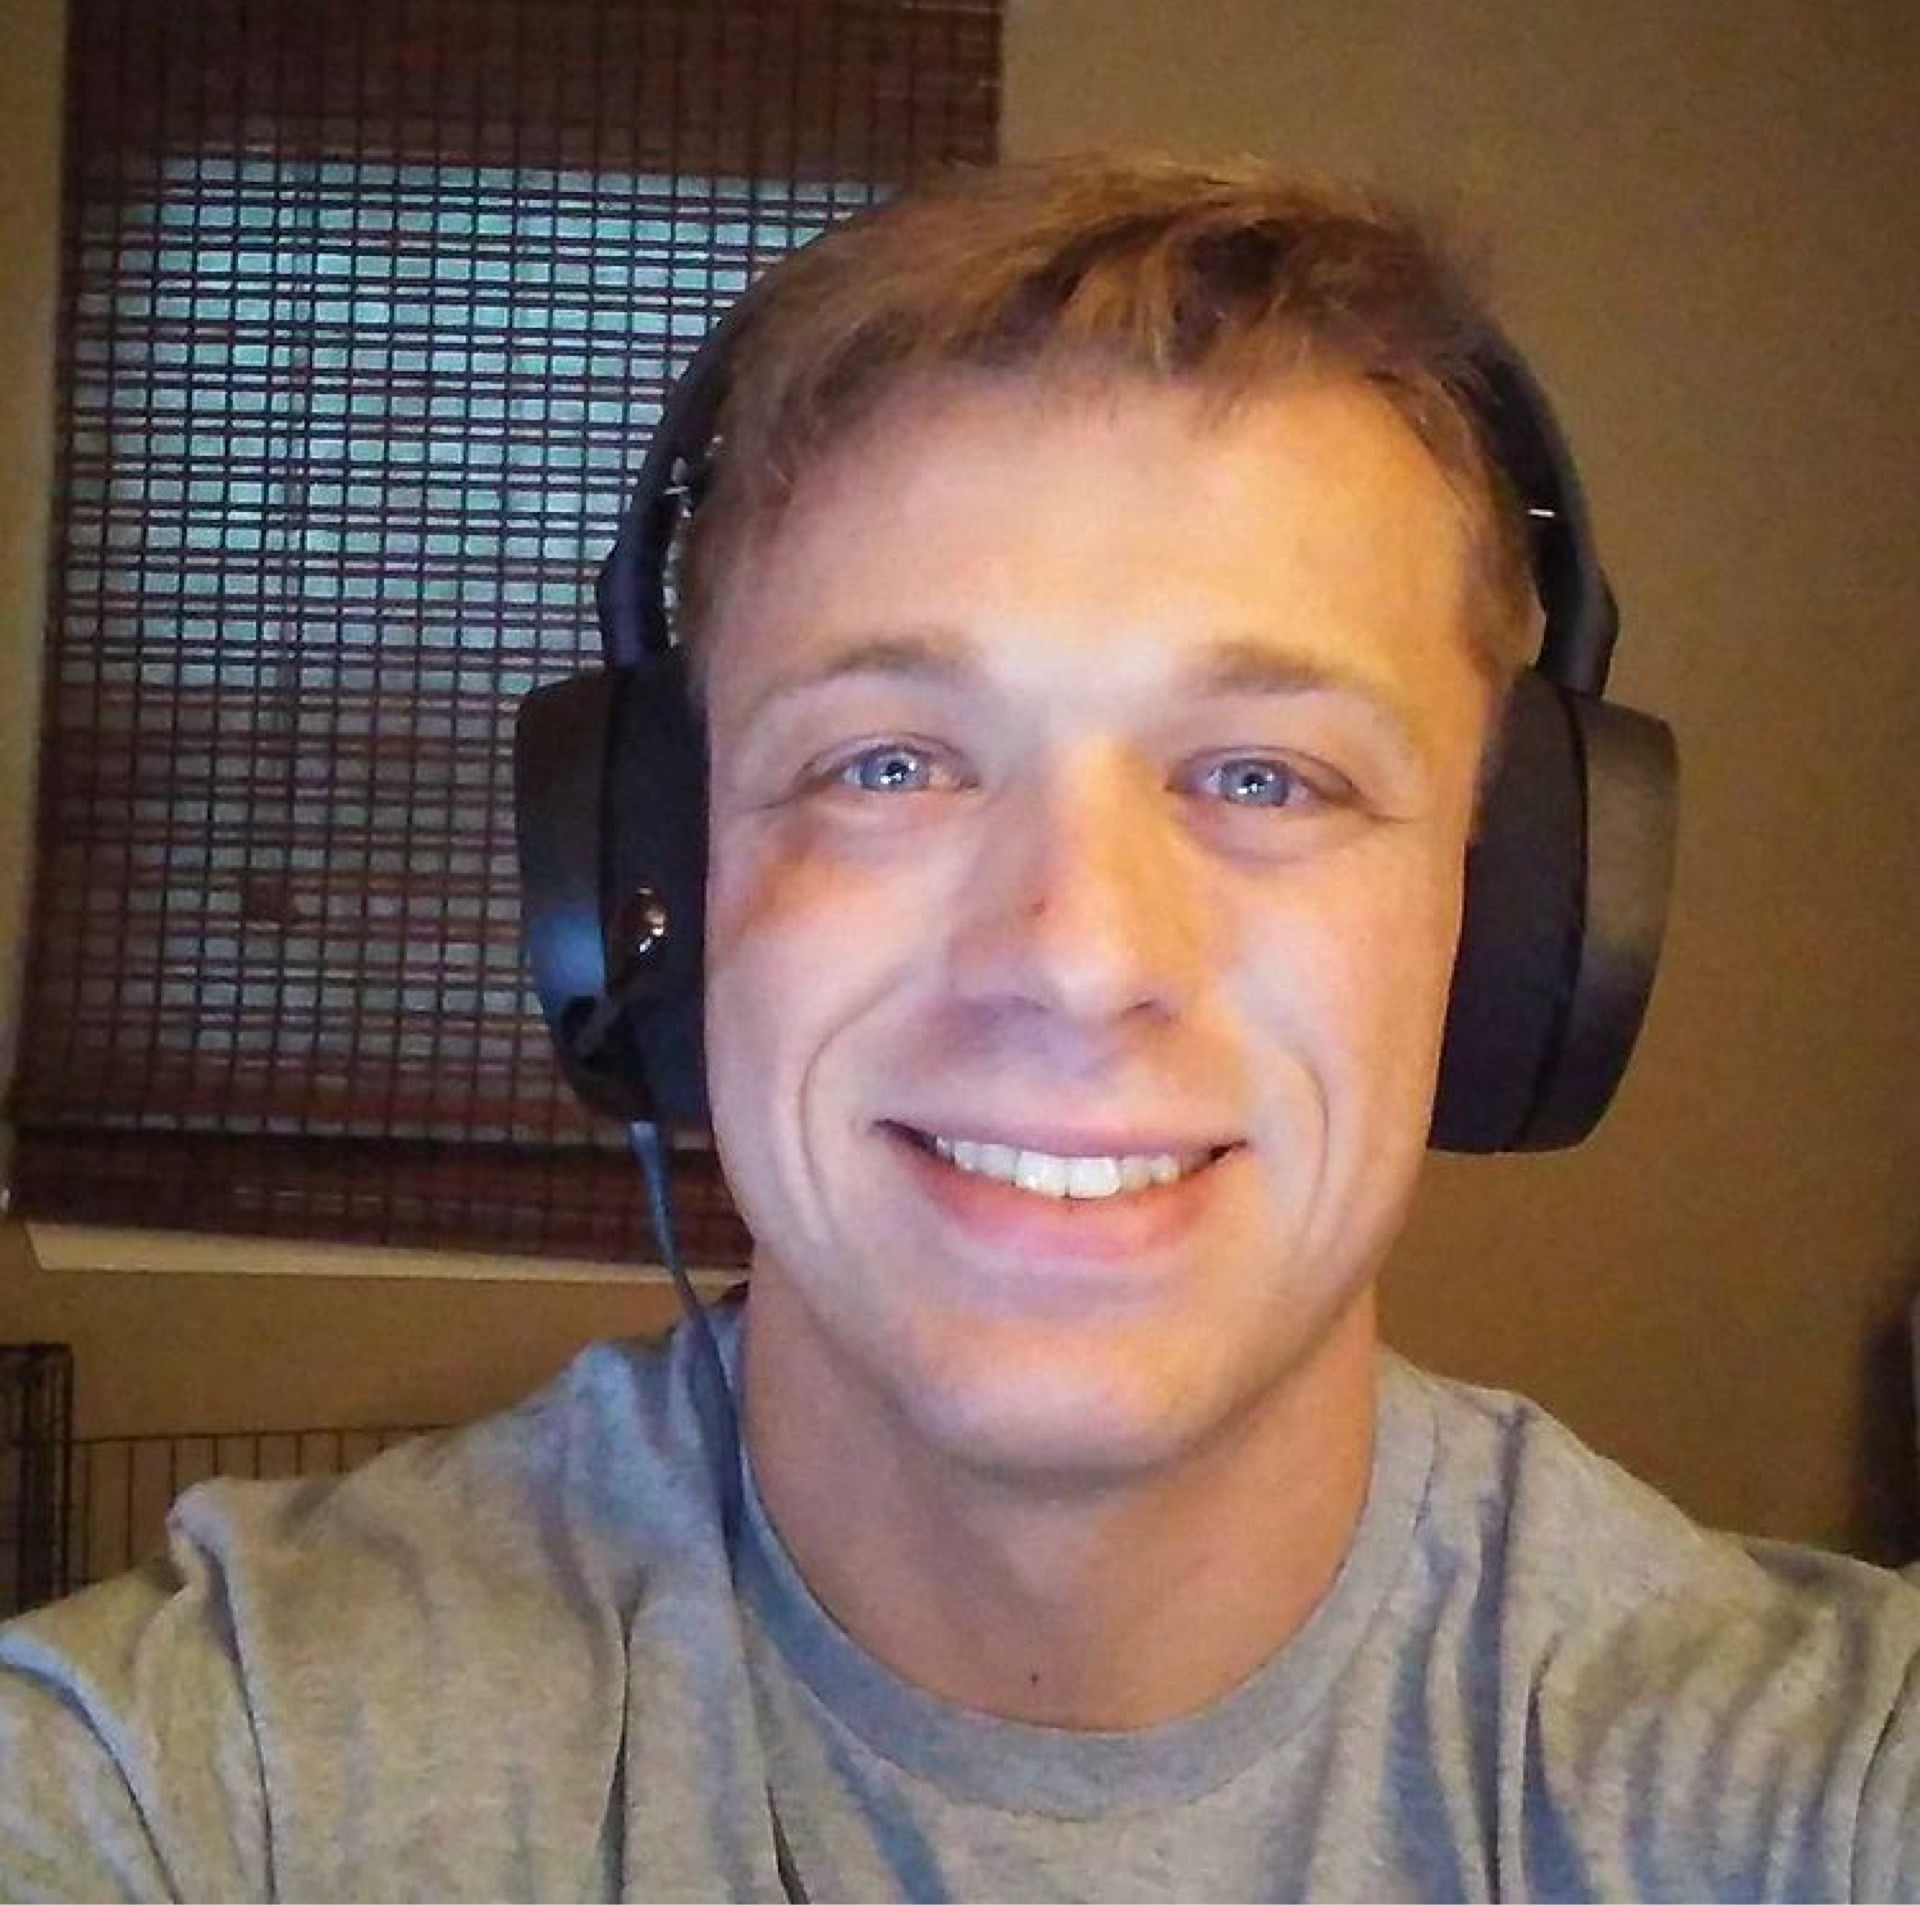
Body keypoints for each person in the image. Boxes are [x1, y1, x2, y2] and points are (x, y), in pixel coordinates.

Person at [3, 154, 1917, 1903]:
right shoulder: (210, 1776)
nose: (1077, 956)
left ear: (1510, 932)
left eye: (1263, 774)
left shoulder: (1816, 1782)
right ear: (661, 885)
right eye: (889, 762)